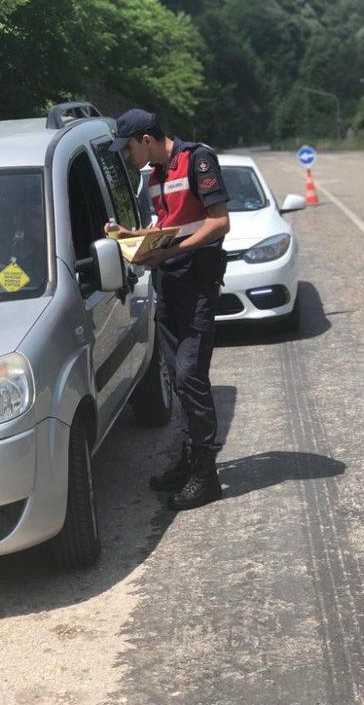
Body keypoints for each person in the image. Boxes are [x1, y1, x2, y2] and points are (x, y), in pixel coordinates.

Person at [108, 108, 230, 511]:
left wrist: (172, 253)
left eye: (128, 148)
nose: (127, 157)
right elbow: (167, 227)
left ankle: (206, 475)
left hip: (196, 283)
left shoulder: (198, 159)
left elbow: (218, 223)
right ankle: (191, 459)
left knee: (190, 373)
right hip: (171, 284)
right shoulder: (156, 176)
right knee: (178, 377)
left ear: (146, 138)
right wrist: (134, 237)